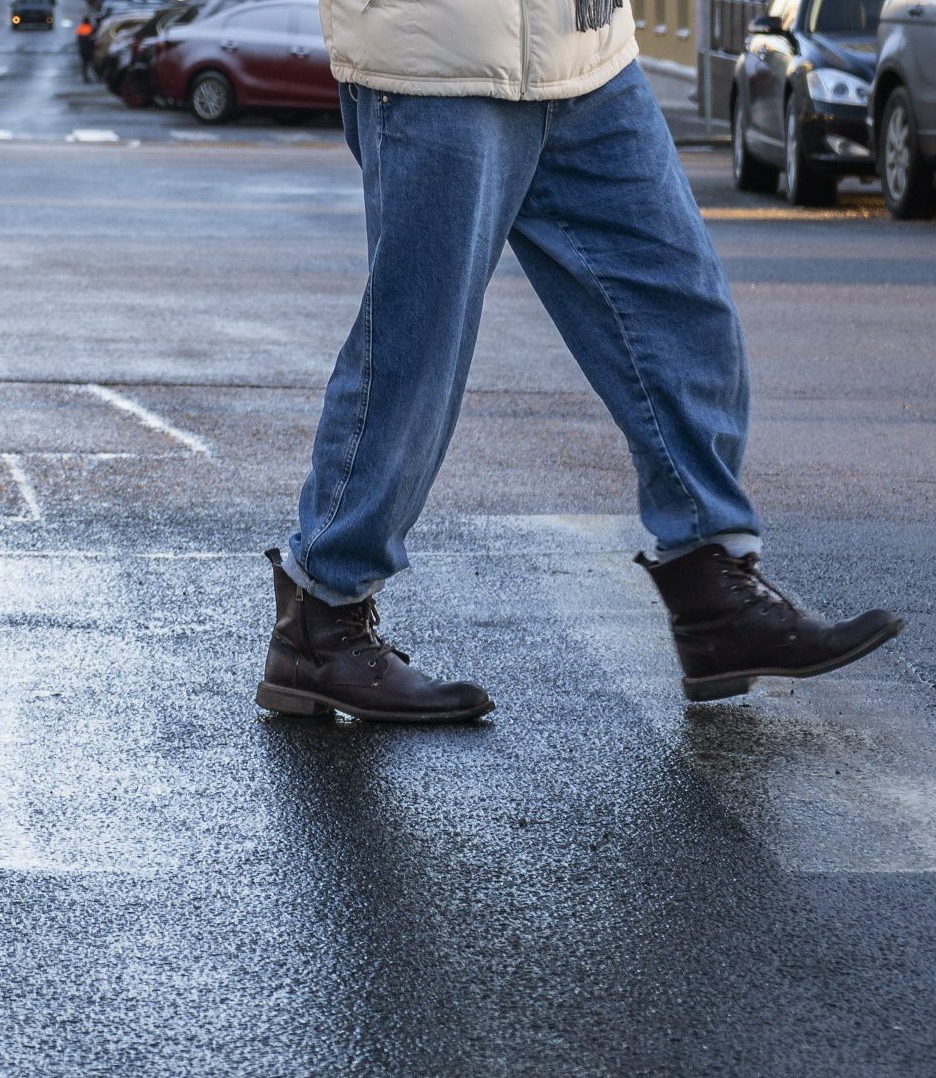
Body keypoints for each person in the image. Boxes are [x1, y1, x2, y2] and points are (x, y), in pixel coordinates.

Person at [255, 0, 905, 723]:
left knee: (680, 308)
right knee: (419, 341)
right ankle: (320, 618)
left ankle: (712, 589)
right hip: (442, 50)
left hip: (588, 50)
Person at [76, 17, 95, 81]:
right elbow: (93, 38)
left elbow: (78, 39)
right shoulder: (90, 28)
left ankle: (85, 76)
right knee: (91, 62)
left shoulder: (81, 28)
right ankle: (95, 76)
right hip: (89, 48)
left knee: (84, 63)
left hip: (83, 48)